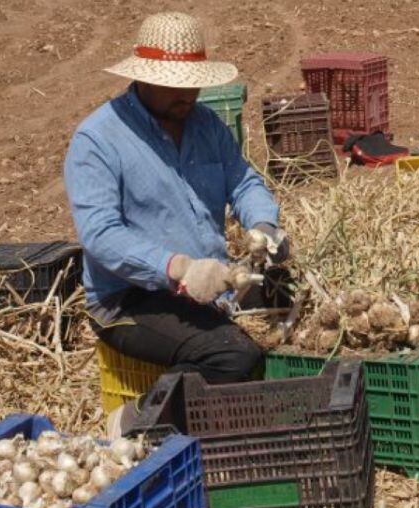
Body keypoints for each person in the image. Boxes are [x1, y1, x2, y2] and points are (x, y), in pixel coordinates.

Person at [63, 12, 289, 437]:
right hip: (130, 298)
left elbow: (242, 181)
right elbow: (100, 235)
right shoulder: (98, 140)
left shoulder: (206, 125)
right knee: (232, 357)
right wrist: (178, 268)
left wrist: (263, 223)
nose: (188, 94)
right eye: (174, 84)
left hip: (208, 286)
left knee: (290, 318)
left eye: (193, 83)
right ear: (143, 78)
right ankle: (134, 423)